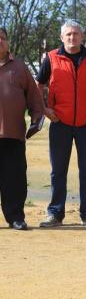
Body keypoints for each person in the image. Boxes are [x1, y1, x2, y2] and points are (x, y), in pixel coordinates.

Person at [36, 19, 86, 227]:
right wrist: (45, 110)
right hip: (60, 123)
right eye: (68, 34)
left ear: (82, 37)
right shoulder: (51, 58)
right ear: (62, 37)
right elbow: (37, 86)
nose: (72, 37)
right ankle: (55, 214)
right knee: (58, 170)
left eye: (76, 34)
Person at [0, 27, 43, 230]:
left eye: (2, 38)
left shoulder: (19, 67)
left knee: (14, 178)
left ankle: (15, 216)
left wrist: (36, 119)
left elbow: (34, 98)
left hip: (13, 134)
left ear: (8, 42)